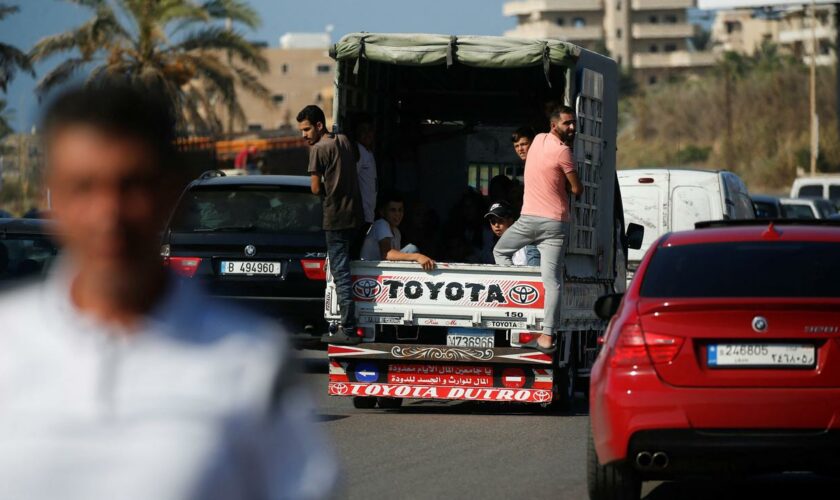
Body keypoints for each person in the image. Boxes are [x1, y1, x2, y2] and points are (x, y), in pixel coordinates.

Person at [0, 83, 337, 499]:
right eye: (83, 187)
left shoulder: (252, 363)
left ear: (166, 191)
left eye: (131, 186)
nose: (109, 214)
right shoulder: (7, 347)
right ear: (50, 197)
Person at [493, 104, 582, 354]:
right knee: (552, 281)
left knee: (501, 252)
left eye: (573, 123)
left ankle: (520, 299)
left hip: (530, 219)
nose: (572, 127)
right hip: (556, 222)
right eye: (568, 123)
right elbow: (577, 189)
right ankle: (547, 337)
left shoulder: (539, 140)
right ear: (555, 125)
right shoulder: (564, 151)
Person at [298, 104, 364, 345]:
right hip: (355, 216)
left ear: (318, 126)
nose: (303, 135)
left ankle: (348, 328)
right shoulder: (345, 140)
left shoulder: (318, 149)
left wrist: (327, 188)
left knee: (341, 274)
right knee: (351, 268)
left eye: (306, 130)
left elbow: (315, 187)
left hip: (335, 218)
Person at [360, 193, 435, 270]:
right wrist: (418, 257)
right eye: (393, 210)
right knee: (412, 249)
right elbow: (387, 254)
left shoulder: (397, 232)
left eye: (400, 210)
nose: (397, 214)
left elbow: (395, 259)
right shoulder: (381, 224)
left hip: (382, 271)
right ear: (382, 212)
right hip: (370, 271)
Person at [485, 201, 540, 266]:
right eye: (493, 222)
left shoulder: (524, 239)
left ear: (510, 220)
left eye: (500, 220)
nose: (496, 225)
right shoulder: (489, 240)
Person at [348, 113, 377, 229]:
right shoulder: (358, 150)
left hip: (368, 213)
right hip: (361, 215)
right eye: (363, 130)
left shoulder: (367, 151)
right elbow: (351, 180)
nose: (367, 134)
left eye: (369, 130)